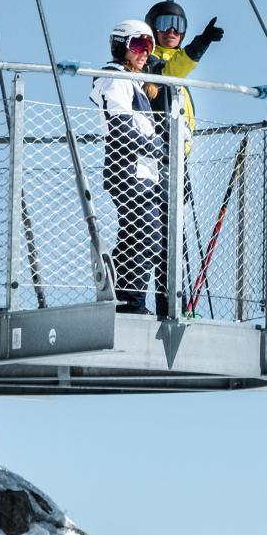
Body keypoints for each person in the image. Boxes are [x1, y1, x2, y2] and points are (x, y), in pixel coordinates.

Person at [93, 18, 168, 317]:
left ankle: (126, 300)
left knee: (137, 234)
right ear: (121, 46)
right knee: (145, 233)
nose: (144, 52)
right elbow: (121, 127)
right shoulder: (116, 79)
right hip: (127, 167)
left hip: (142, 170)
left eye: (148, 46)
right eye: (138, 44)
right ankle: (131, 303)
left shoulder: (134, 81)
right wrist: (157, 147)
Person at [144, 0, 224, 158]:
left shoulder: (182, 66)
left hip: (180, 151)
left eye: (178, 25)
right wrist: (200, 44)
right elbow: (169, 72)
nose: (171, 31)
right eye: (164, 24)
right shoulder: (148, 60)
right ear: (152, 28)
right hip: (159, 149)